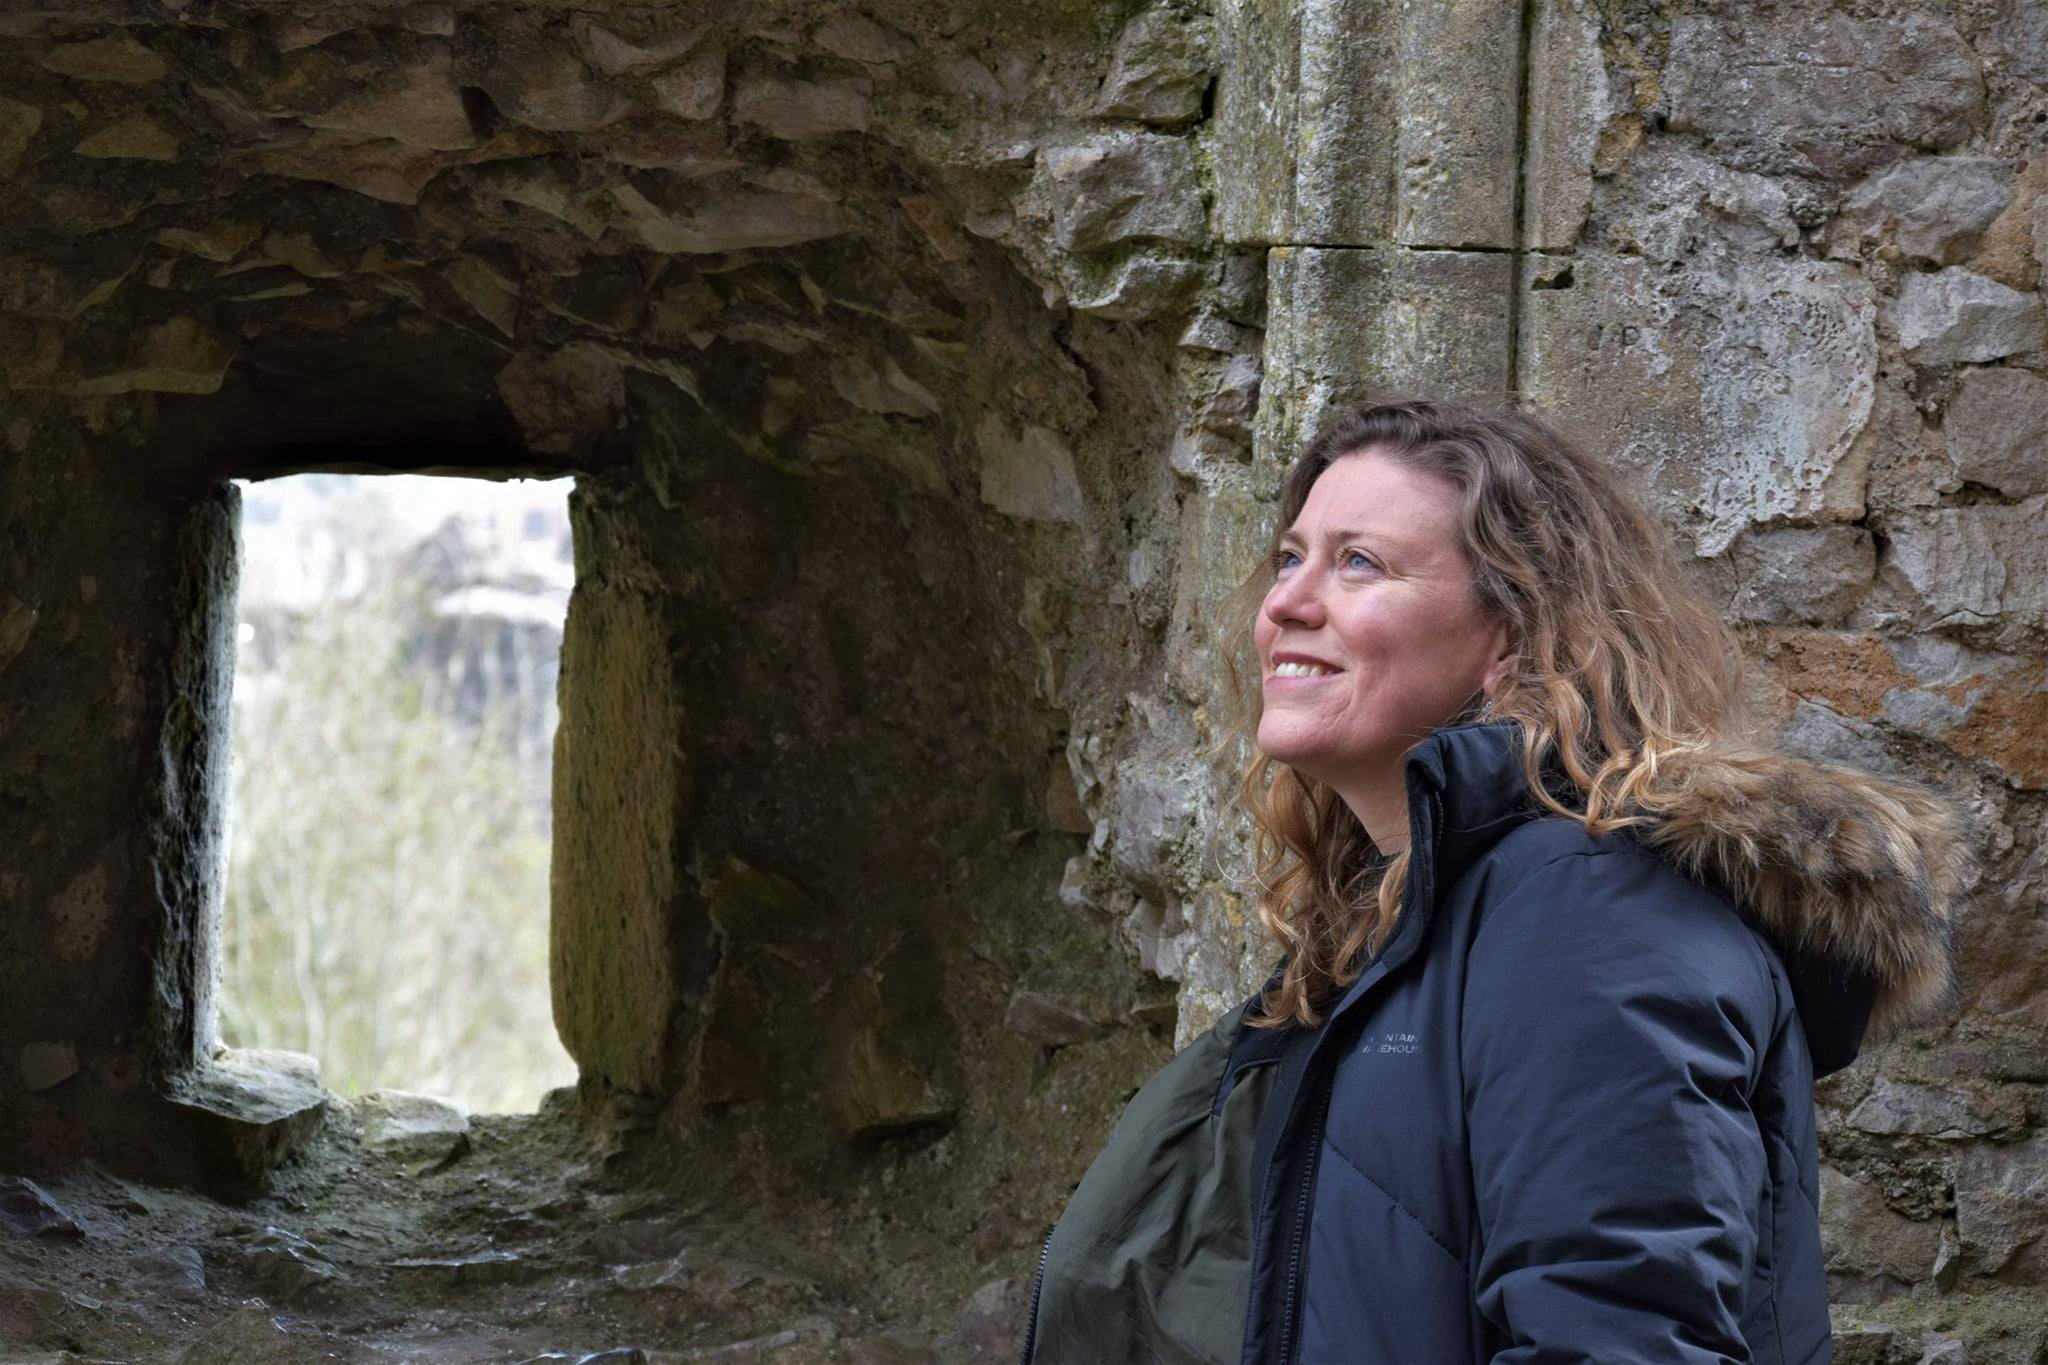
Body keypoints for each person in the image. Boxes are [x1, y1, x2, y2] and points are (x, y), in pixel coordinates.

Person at [1019, 397, 1976, 1365]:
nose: (1285, 605)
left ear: (1511, 639)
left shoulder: (1587, 913)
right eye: (1288, 558)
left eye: (1357, 563)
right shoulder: (1397, 927)